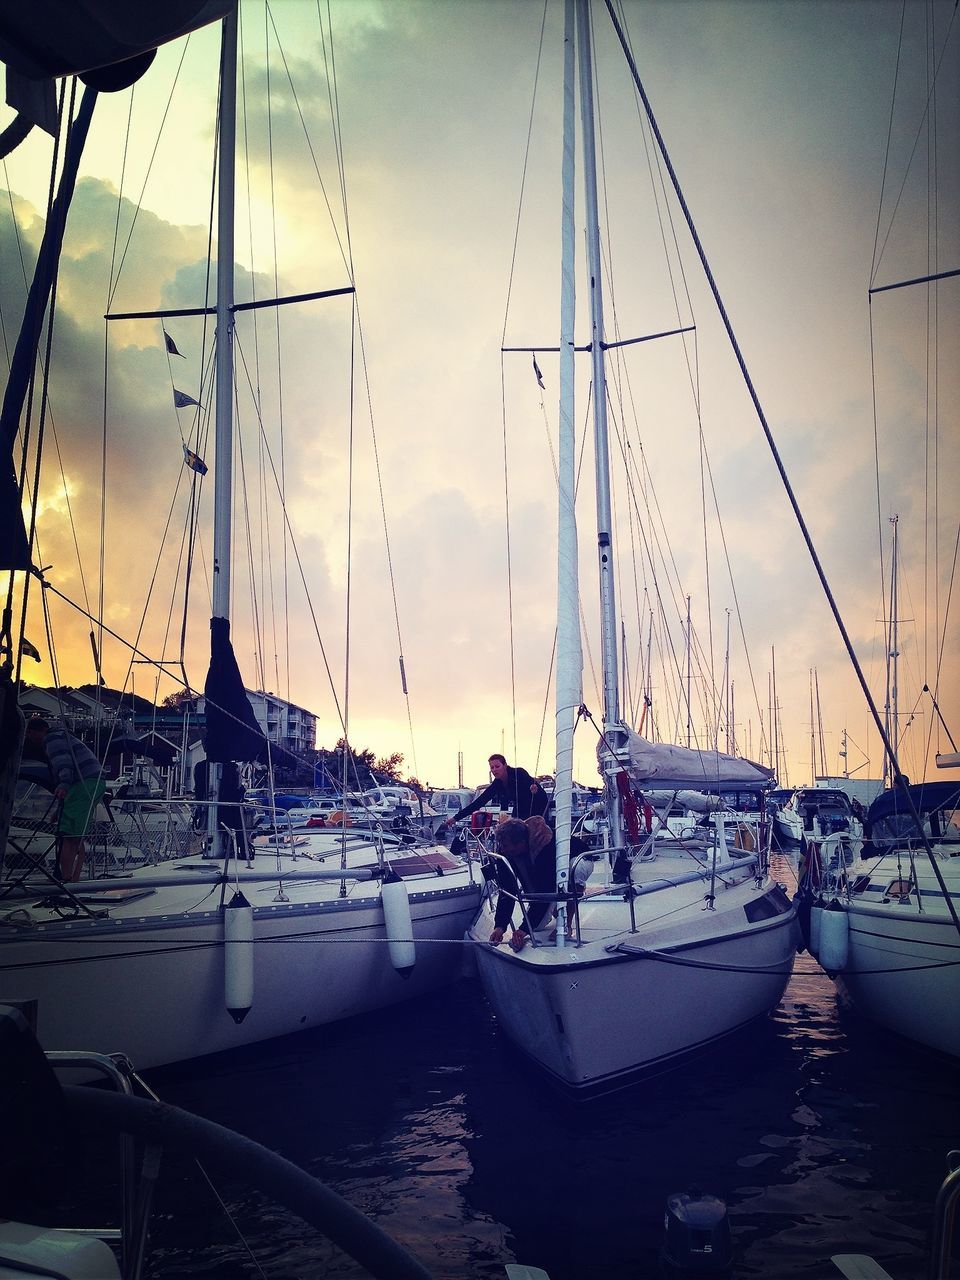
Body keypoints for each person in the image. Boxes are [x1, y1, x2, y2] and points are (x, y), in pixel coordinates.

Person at [23, 717, 107, 882]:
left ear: (33, 732)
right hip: (92, 784)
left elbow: (63, 763)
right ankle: (71, 877)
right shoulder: (62, 736)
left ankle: (67, 879)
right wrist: (59, 810)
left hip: (84, 783)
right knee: (74, 834)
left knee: (69, 836)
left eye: (29, 735)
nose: (30, 739)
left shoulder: (52, 739)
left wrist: (63, 784)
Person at [442, 753, 548, 830]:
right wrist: (455, 818)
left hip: (537, 806)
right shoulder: (497, 784)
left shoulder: (519, 773)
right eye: (492, 767)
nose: (494, 770)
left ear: (505, 765)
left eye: (497, 766)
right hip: (519, 809)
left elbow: (534, 788)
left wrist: (535, 790)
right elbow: (479, 802)